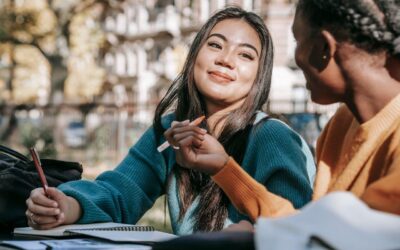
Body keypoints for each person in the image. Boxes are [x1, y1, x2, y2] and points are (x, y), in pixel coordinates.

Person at [25, 7, 315, 234]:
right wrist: (68, 206)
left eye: (245, 55)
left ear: (259, 78)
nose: (226, 59)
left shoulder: (272, 137)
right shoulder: (170, 131)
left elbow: (295, 225)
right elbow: (120, 192)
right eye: (215, 45)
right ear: (194, 57)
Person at [167, 0, 400, 229]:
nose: (295, 56)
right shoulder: (341, 125)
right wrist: (223, 168)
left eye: (297, 41)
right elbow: (312, 228)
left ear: (323, 49)